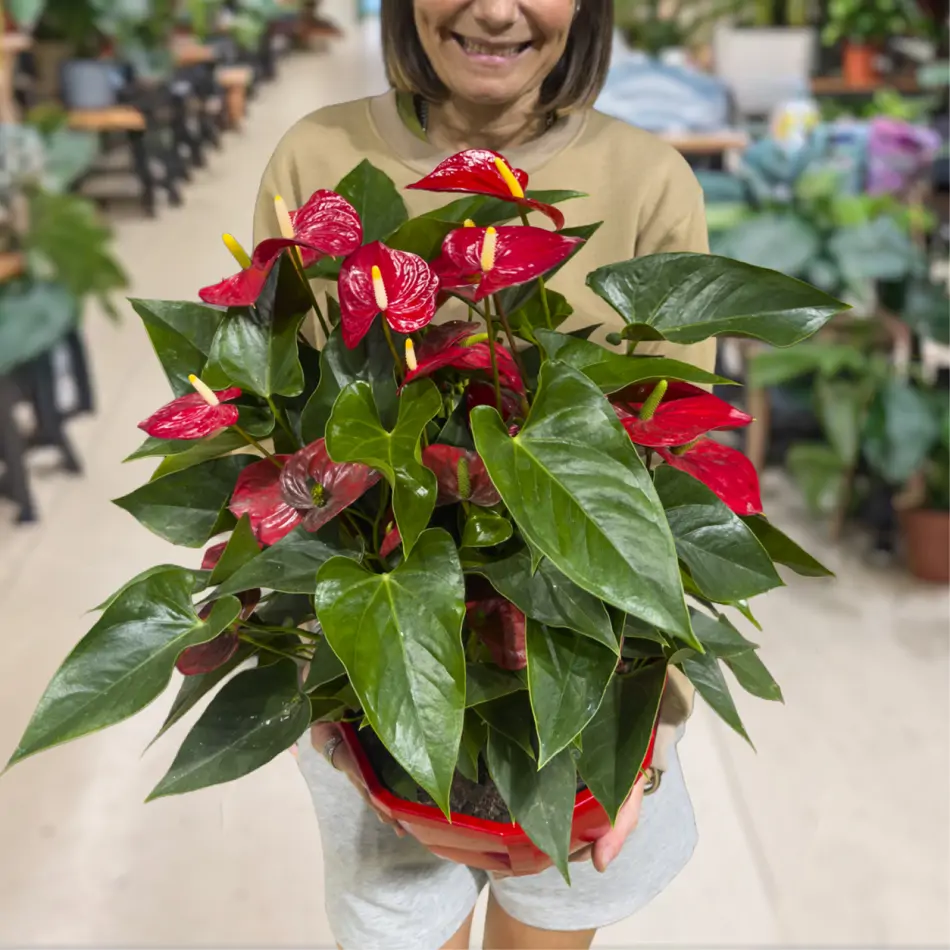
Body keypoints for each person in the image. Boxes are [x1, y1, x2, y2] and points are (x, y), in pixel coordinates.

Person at [253, 1, 714, 946]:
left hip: (571, 671)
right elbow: (269, 436)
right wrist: (327, 707)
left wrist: (647, 740)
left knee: (551, 915)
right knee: (399, 921)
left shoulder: (647, 179)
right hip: (378, 671)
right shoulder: (318, 157)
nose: (497, 9)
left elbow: (675, 479)